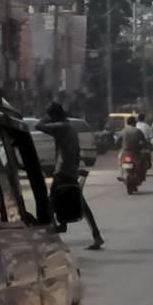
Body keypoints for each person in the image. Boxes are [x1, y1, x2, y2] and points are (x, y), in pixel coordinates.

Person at [40, 102, 103, 250]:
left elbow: (38, 126)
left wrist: (48, 120)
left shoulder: (60, 127)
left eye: (51, 116)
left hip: (62, 172)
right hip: (70, 170)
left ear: (54, 116)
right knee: (82, 204)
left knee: (51, 203)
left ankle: (54, 235)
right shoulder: (70, 128)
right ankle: (96, 235)